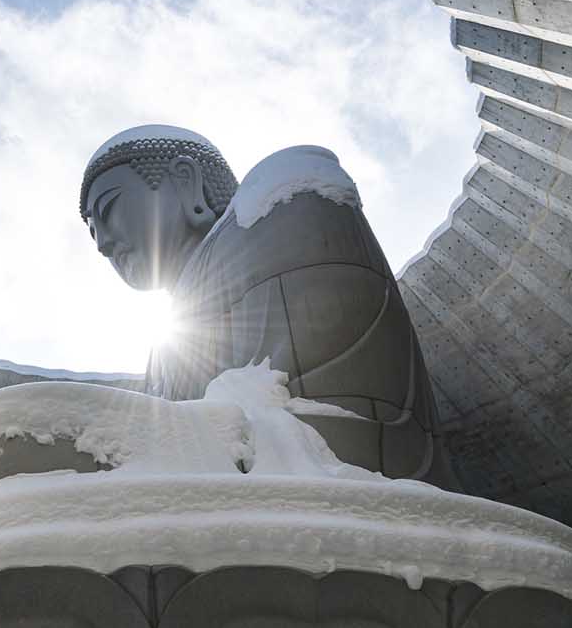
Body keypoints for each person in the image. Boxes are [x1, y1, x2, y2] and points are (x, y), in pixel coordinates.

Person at [80, 124, 456, 489]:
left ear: (185, 182)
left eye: (108, 210)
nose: (102, 244)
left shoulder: (286, 199)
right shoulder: (164, 344)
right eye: (93, 230)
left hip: (338, 502)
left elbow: (348, 423)